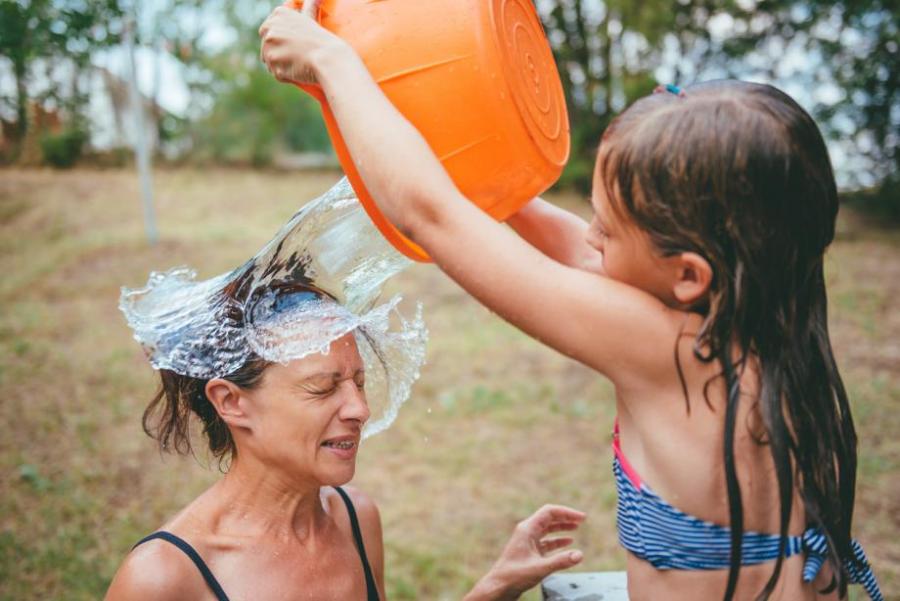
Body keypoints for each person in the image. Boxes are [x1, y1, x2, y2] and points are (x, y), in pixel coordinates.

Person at [258, 4, 884, 600]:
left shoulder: (676, 355)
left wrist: (334, 64)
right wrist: (413, 115)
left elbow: (433, 217)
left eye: (606, 227)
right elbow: (530, 228)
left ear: (688, 274)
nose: (589, 238)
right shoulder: (766, 329)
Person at [106, 283, 587, 601]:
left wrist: (495, 587)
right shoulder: (165, 578)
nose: (359, 408)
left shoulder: (355, 518)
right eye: (322, 387)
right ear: (231, 402)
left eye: (358, 382)